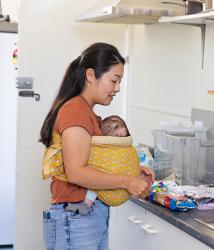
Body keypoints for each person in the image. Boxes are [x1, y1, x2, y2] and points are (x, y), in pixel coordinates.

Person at [39, 43, 154, 250]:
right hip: (75, 219)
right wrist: (127, 181)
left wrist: (133, 172)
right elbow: (76, 173)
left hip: (82, 217)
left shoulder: (86, 112)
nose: (117, 88)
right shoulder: (75, 111)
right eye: (114, 80)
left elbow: (93, 161)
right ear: (90, 75)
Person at [42, 114, 149, 210]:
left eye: (123, 136)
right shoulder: (75, 115)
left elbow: (111, 161)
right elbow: (79, 171)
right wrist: (128, 180)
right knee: (93, 182)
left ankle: (86, 204)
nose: (121, 139)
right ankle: (86, 204)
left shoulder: (91, 119)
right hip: (72, 201)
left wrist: (132, 169)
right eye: (118, 136)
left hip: (91, 204)